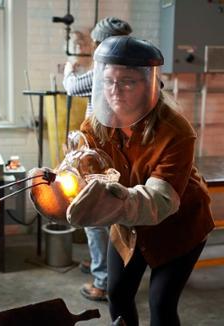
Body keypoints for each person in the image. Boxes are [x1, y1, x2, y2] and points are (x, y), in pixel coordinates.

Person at [66, 36, 215, 326]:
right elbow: (83, 169)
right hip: (127, 225)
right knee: (118, 295)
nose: (114, 90)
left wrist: (107, 202)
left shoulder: (176, 130)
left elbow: (161, 200)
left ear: (149, 85)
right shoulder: (96, 124)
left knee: (161, 304)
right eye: (108, 80)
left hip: (178, 225)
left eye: (128, 81)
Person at [62, 16, 132, 302]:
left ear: (101, 43)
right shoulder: (135, 69)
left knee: (93, 213)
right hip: (124, 150)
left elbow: (71, 86)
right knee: (115, 211)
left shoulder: (104, 68)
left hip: (100, 152)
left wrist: (68, 69)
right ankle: (104, 266)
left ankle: (103, 280)